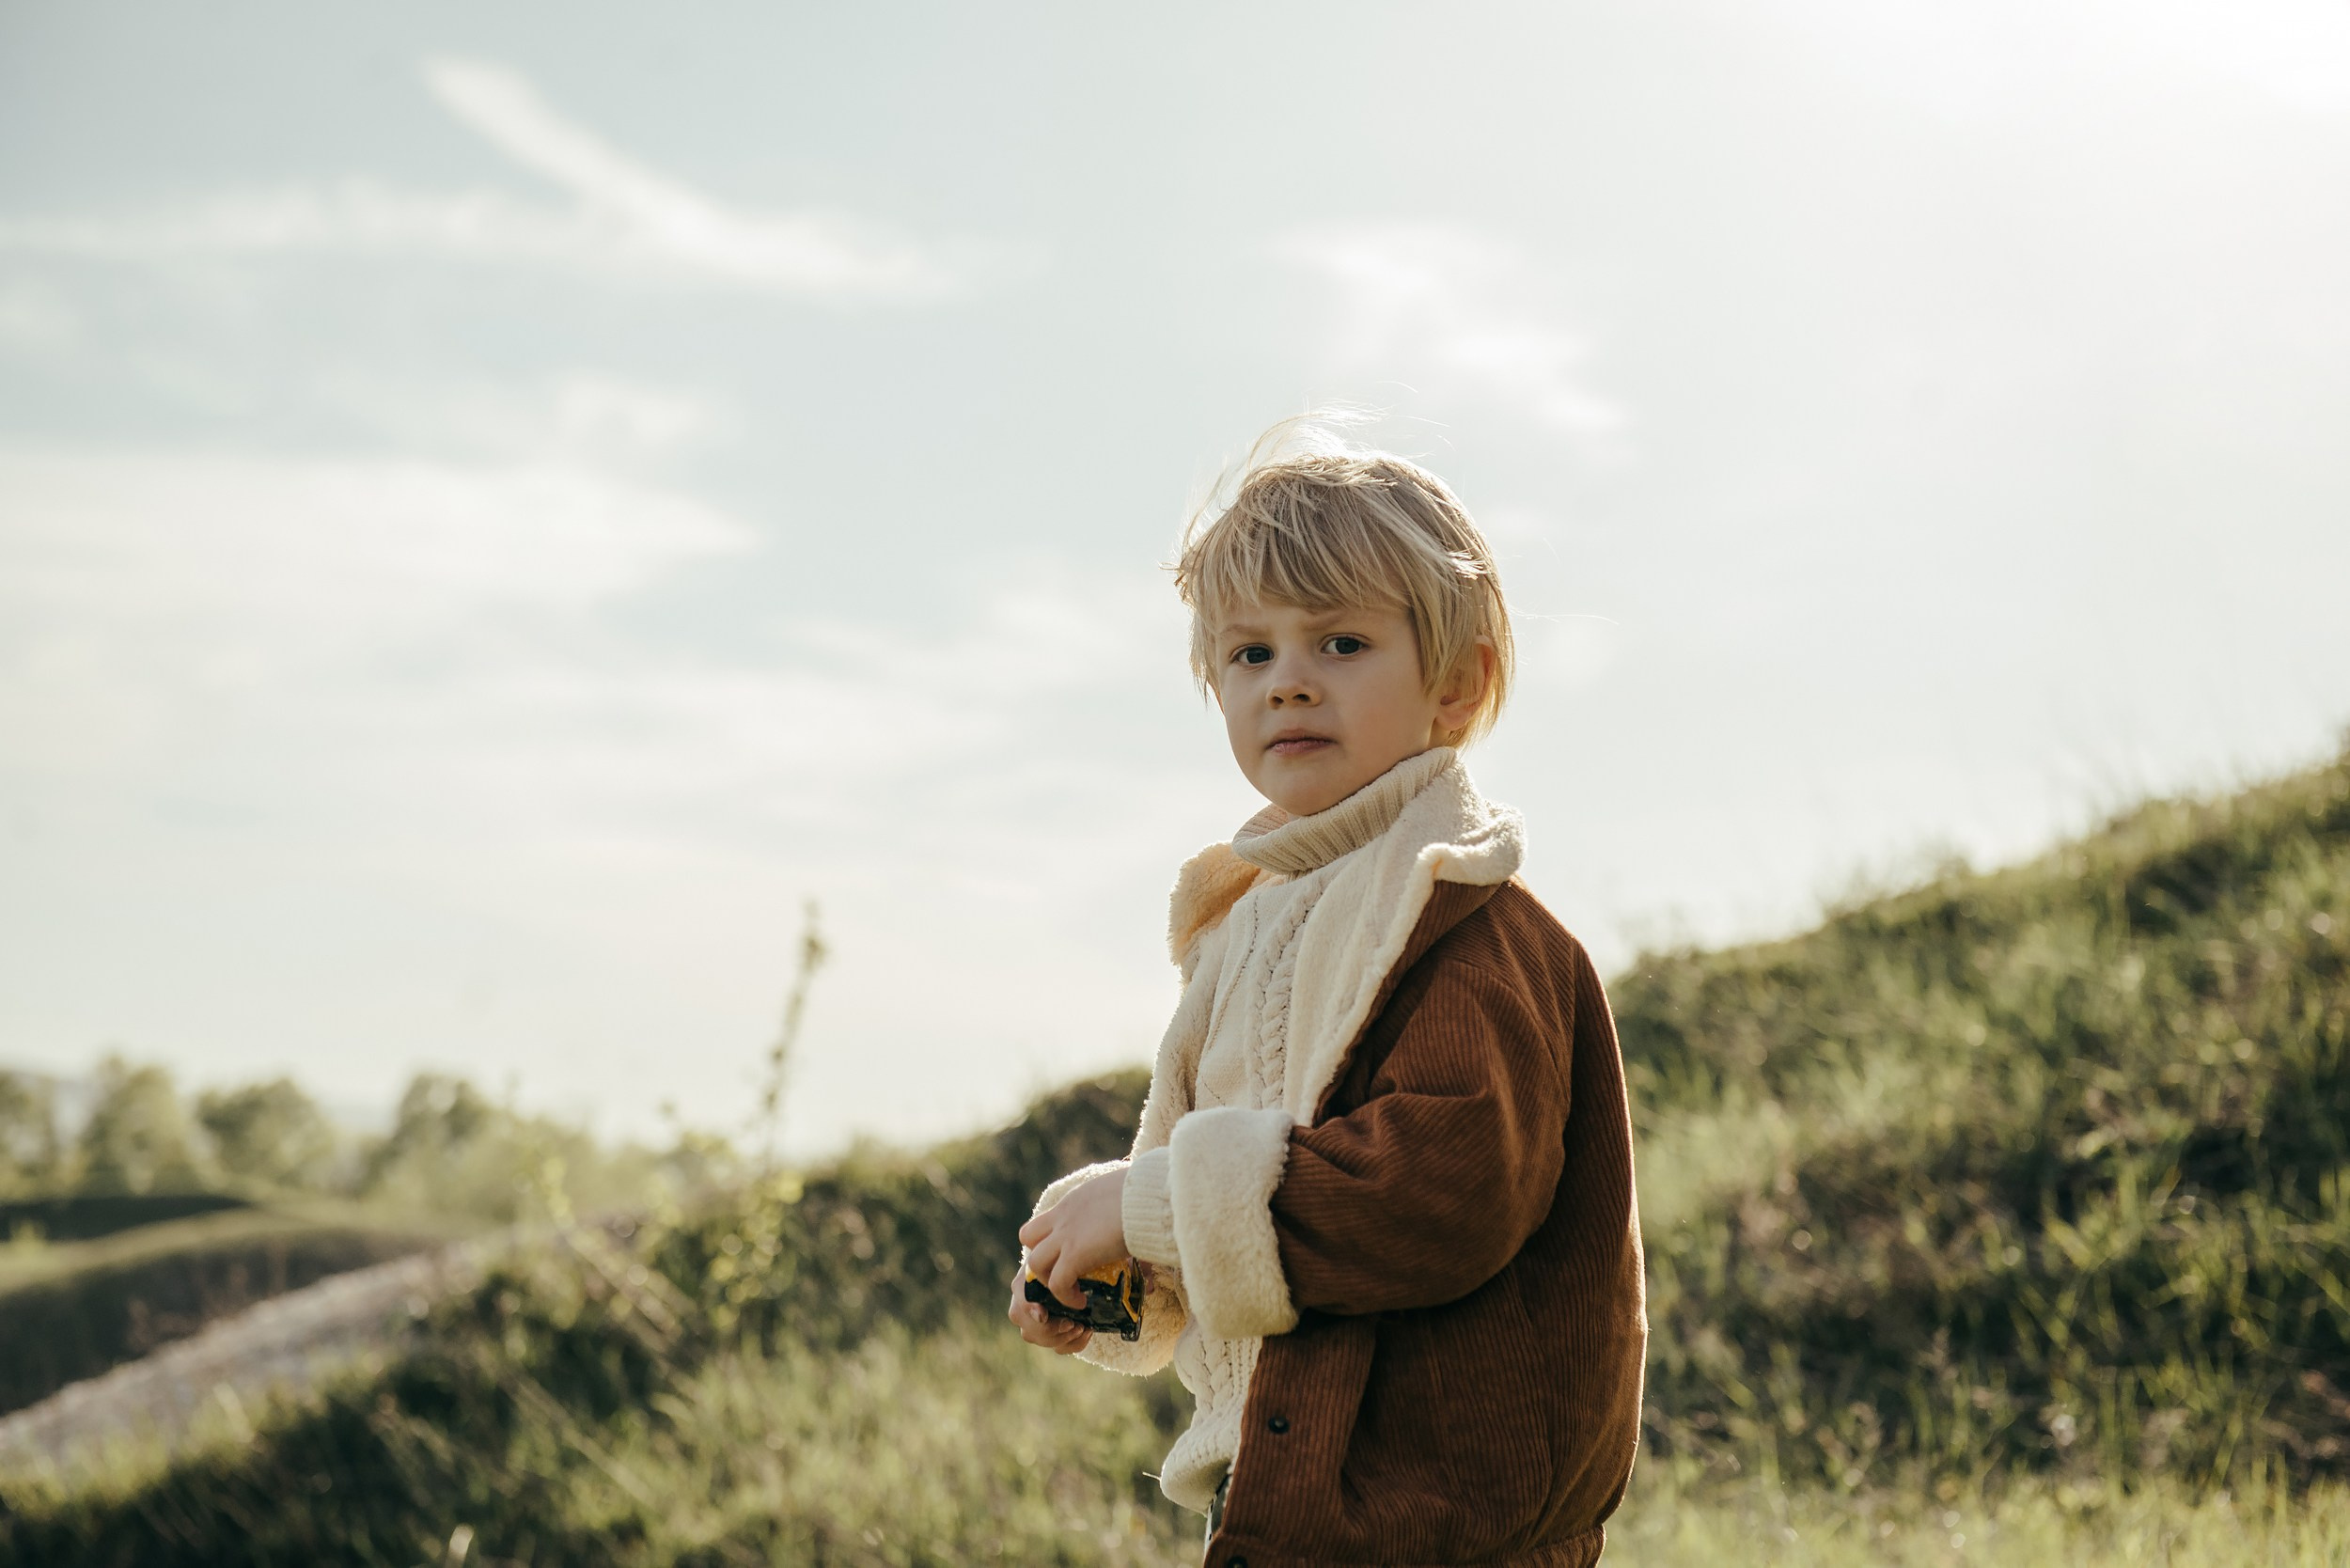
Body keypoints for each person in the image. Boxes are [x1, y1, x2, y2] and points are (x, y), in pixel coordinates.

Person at [1010, 423, 1646, 1567]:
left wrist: (1150, 1204)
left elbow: (1434, 1190)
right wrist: (1118, 1270)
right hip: (1296, 1510)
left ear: (1456, 686)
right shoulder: (1260, 918)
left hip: (1438, 1531)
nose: (1289, 678)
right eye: (1249, 655)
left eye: (1340, 641)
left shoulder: (1465, 920)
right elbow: (1252, 1186)